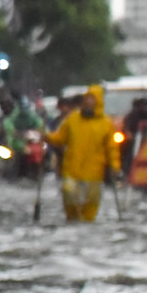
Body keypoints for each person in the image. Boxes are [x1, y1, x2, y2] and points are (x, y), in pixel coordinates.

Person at [44, 83, 120, 222]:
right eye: (87, 99)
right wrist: (47, 137)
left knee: (90, 206)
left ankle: (86, 227)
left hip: (94, 173)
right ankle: (72, 220)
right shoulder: (72, 119)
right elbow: (61, 137)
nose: (88, 102)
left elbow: (111, 148)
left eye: (92, 99)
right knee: (69, 193)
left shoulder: (106, 124)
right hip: (72, 170)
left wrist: (114, 166)